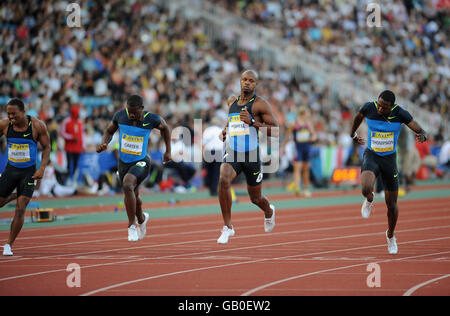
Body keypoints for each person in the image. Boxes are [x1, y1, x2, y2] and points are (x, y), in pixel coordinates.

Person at [350, 90, 428, 255]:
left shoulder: (400, 113)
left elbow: (418, 128)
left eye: (384, 107)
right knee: (365, 188)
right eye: (379, 104)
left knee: (391, 205)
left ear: (392, 107)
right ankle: (369, 200)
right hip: (372, 154)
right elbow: (358, 118)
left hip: (389, 160)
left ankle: (390, 235)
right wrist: (353, 134)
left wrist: (422, 134)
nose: (380, 109)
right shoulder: (369, 108)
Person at [96, 95, 171, 242]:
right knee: (133, 196)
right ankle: (142, 219)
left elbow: (166, 128)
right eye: (129, 112)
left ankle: (132, 226)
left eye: (135, 113)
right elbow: (109, 131)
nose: (131, 115)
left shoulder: (151, 119)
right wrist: (104, 143)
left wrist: (168, 151)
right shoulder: (120, 116)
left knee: (127, 185)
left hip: (141, 161)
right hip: (123, 163)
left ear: (142, 109)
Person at [217, 70, 279, 244]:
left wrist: (252, 122)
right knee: (223, 179)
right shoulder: (232, 102)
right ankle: (227, 227)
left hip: (251, 155)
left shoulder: (260, 104)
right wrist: (225, 130)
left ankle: (269, 212)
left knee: (256, 198)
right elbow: (232, 121)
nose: (247, 83)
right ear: (240, 81)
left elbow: (275, 131)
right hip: (234, 152)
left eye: (251, 81)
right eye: (244, 79)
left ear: (255, 84)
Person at [0, 98, 50, 256]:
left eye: (14, 114)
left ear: (23, 112)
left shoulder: (36, 126)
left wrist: (42, 168)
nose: (11, 117)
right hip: (10, 170)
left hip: (29, 172)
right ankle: (16, 194)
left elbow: (47, 146)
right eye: (8, 114)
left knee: (20, 208)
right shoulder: (4, 125)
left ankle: (8, 244)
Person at [281, 106, 317, 196]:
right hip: (298, 148)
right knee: (297, 168)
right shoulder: (294, 123)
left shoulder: (308, 123)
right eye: (308, 113)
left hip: (306, 147)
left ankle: (305, 189)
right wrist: (284, 147)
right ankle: (297, 188)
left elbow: (314, 134)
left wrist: (313, 137)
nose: (309, 114)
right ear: (303, 113)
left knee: (306, 168)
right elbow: (287, 136)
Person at [60, 105, 84, 185]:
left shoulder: (79, 122)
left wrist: (83, 146)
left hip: (77, 148)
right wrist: (71, 137)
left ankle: (74, 180)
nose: (78, 114)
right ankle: (67, 180)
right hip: (69, 147)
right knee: (68, 164)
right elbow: (62, 133)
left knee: (76, 164)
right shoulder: (66, 121)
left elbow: (82, 134)